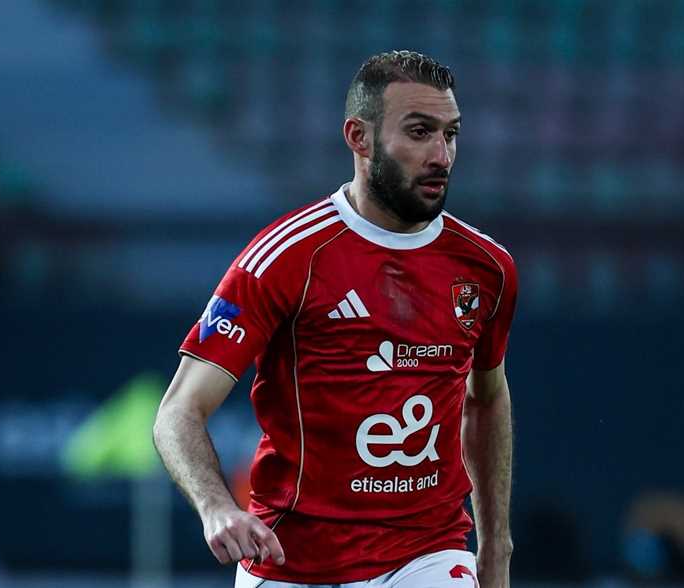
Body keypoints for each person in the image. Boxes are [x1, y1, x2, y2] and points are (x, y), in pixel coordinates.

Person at [152, 50, 518, 588]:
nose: (441, 155)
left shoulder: (486, 267)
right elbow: (178, 412)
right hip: (293, 559)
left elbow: (486, 399)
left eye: (451, 134)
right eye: (420, 132)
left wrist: (496, 547)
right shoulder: (285, 258)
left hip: (428, 553)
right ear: (358, 137)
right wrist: (217, 507)